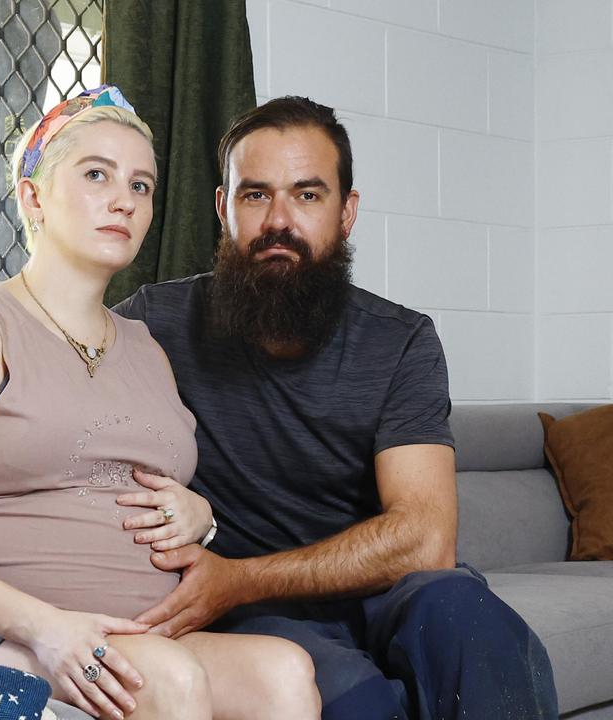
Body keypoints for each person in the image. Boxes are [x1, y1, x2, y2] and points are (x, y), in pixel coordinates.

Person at [0, 85, 321, 720]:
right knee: (165, 679)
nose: (123, 200)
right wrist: (48, 628)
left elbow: (139, 479)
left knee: (284, 672)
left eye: (141, 185)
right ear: (34, 197)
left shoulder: (145, 346)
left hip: (131, 635)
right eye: (96, 175)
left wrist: (200, 515)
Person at [115, 96, 559, 720]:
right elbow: (54, 376)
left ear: (347, 212)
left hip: (381, 591)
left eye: (308, 195)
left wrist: (239, 577)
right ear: (224, 209)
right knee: (357, 701)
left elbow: (426, 538)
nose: (279, 220)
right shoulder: (154, 322)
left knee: (466, 614)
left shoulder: (401, 340)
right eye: (255, 195)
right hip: (258, 618)